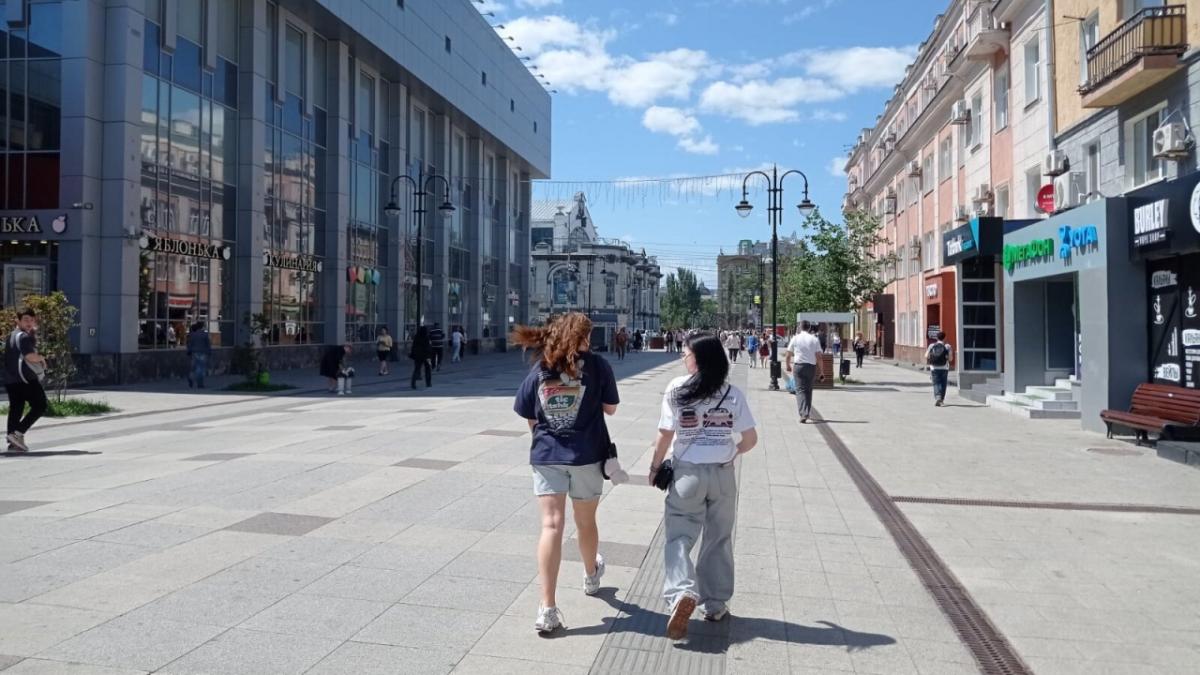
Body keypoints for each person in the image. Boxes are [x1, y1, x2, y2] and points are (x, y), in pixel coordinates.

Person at [512, 312, 619, 634]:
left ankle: (547, 607)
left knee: (551, 525)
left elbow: (527, 413)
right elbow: (611, 408)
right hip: (586, 455)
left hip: (547, 455)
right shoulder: (598, 366)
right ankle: (590, 575)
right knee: (585, 522)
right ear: (584, 337)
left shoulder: (542, 367)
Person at [650, 333, 757, 640]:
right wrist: (731, 452)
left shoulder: (676, 389)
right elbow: (750, 440)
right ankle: (715, 603)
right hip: (723, 475)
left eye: (685, 354)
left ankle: (682, 592)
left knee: (679, 538)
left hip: (688, 475)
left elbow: (664, 435)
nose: (683, 358)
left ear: (696, 358)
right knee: (718, 538)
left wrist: (655, 466)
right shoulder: (732, 394)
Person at [5, 309, 47, 453]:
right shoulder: (23, 337)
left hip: (11, 379)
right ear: (18, 320)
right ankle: (17, 434)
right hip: (26, 379)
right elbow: (30, 357)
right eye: (26, 319)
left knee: (16, 409)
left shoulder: (11, 336)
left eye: (31, 320)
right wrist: (41, 358)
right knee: (40, 405)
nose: (29, 323)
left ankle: (12, 443)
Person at [785, 321, 825, 424]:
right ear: (809, 328)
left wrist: (788, 365)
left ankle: (804, 413)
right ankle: (806, 412)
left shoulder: (795, 338)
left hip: (799, 366)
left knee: (800, 390)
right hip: (811, 367)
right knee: (808, 390)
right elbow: (819, 357)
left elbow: (788, 354)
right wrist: (821, 371)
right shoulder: (814, 339)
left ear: (800, 327)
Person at [926, 331, 954, 406]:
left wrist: (932, 358)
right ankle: (941, 399)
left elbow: (926, 356)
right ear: (945, 338)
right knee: (943, 383)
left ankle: (938, 397)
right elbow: (951, 359)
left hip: (934, 368)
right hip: (944, 367)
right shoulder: (947, 346)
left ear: (937, 338)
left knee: (936, 383)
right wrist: (947, 358)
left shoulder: (932, 345)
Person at [186, 321, 211, 388]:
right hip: (202, 352)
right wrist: (209, 352)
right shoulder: (205, 334)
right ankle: (200, 383)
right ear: (202, 327)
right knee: (200, 368)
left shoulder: (193, 334)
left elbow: (189, 344)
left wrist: (189, 351)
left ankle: (191, 377)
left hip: (194, 352)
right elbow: (208, 344)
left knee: (193, 367)